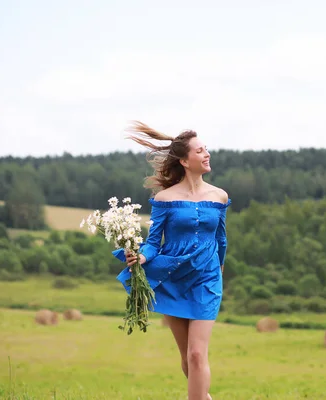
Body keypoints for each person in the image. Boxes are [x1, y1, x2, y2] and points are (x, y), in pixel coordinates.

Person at [112, 121, 230, 400]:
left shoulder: (220, 196)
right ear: (184, 161)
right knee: (187, 358)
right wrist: (141, 256)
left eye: (206, 149)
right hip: (173, 277)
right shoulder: (164, 199)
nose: (206, 154)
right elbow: (154, 243)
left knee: (198, 353)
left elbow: (221, 239)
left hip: (207, 279)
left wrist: (219, 270)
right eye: (200, 150)